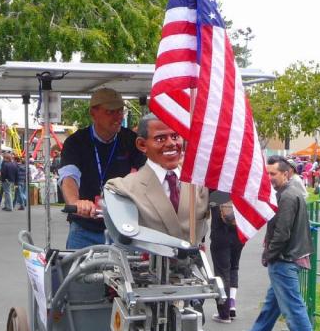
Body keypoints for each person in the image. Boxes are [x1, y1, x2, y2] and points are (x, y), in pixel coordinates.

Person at [239, 158, 320, 331]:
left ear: (286, 174)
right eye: (267, 174)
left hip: (284, 258)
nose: (269, 178)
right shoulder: (291, 193)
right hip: (289, 257)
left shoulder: (287, 196)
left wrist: (269, 254)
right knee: (273, 302)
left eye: (273, 174)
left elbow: (282, 232)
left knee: (294, 309)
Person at [58, 88, 146, 249]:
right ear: (93, 113)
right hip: (85, 229)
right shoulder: (76, 142)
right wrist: (75, 202)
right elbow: (69, 176)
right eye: (111, 112)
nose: (118, 117)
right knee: (76, 271)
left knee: (134, 272)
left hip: (124, 227)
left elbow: (145, 174)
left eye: (120, 111)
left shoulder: (131, 140)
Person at [105, 113, 209, 242]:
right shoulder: (124, 188)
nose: (171, 143)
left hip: (194, 261)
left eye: (175, 136)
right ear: (142, 145)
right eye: (160, 139)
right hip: (151, 260)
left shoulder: (199, 183)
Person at [207, 190, 245, 322]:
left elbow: (203, 211)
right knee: (234, 268)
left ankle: (224, 313)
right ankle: (232, 305)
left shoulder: (214, 188)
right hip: (239, 234)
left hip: (220, 235)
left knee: (222, 274)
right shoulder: (241, 183)